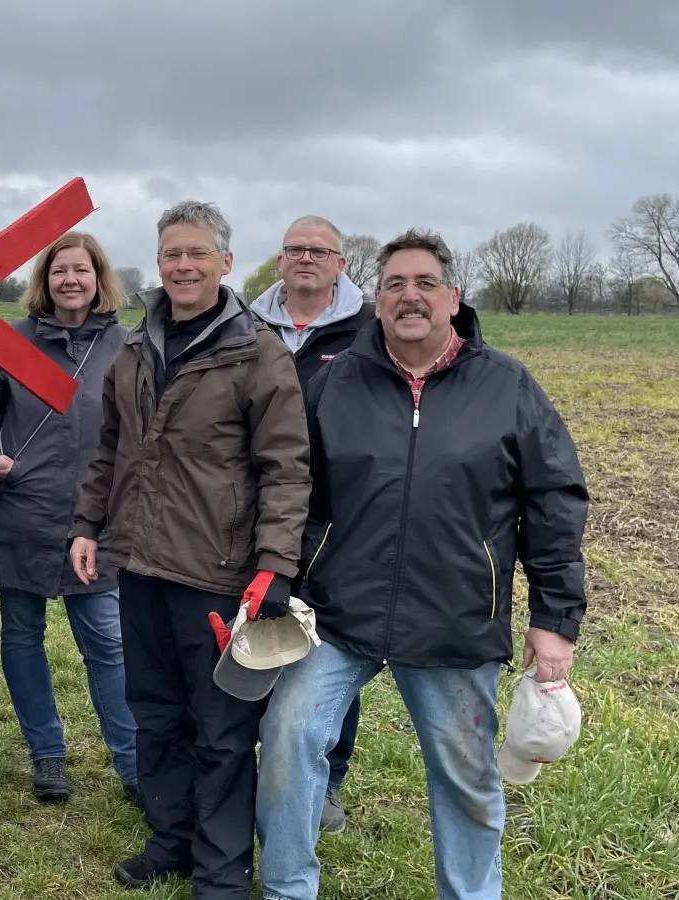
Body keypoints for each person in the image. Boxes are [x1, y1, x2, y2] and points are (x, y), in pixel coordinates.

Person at [254, 228, 589, 900]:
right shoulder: (331, 384)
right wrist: (276, 576)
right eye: (395, 286)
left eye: (425, 284)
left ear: (453, 298)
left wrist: (555, 620)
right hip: (337, 616)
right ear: (375, 303)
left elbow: (555, 501)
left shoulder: (508, 388)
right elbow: (290, 486)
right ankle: (289, 887)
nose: (410, 297)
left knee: (467, 776)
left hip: (454, 619)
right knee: (287, 739)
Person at [69, 201, 311, 899]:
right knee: (155, 712)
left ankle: (221, 867)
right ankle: (169, 839)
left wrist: (274, 565)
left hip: (218, 574)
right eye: (172, 253)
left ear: (225, 264)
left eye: (197, 254)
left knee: (223, 727)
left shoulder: (257, 352)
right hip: (140, 564)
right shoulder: (136, 346)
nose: (182, 266)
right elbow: (111, 447)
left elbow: (286, 467)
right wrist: (89, 524)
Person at [0, 231, 138, 805]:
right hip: (23, 512)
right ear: (45, 280)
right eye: (59, 270)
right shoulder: (12, 342)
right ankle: (47, 755)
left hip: (97, 519)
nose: (70, 280)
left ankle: (134, 765)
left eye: (81, 270)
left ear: (98, 277)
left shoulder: (127, 346)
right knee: (21, 636)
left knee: (107, 644)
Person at [247, 214, 376, 833]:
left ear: (340, 264)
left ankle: (325, 778)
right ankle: (253, 764)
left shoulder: (369, 330)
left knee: (324, 647)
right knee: (251, 633)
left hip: (333, 514)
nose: (306, 258)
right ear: (279, 261)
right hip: (253, 506)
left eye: (319, 251)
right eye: (295, 249)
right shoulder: (244, 324)